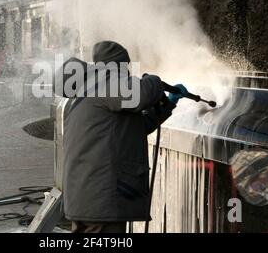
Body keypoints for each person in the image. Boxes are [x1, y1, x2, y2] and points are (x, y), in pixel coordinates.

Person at [55, 41, 189, 233]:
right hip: (102, 200)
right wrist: (154, 81)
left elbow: (133, 130)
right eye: (124, 67)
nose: (127, 72)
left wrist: (167, 103)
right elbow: (144, 93)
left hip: (87, 198)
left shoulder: (90, 91)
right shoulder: (106, 82)